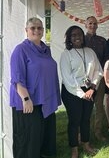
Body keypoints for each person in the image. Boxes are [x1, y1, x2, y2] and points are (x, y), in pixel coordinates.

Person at [9, 17, 61, 158]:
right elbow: (17, 78)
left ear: (43, 31)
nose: (36, 30)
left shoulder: (45, 50)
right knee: (28, 141)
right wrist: (26, 98)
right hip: (28, 103)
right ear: (26, 31)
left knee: (43, 138)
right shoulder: (20, 50)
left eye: (39, 28)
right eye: (33, 28)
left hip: (45, 100)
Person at [60, 25, 103, 158]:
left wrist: (92, 88)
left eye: (79, 34)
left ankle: (86, 143)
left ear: (82, 37)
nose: (77, 37)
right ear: (69, 38)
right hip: (71, 91)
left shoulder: (90, 51)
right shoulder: (66, 54)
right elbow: (67, 77)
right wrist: (82, 94)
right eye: (73, 35)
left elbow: (98, 71)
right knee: (75, 120)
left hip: (89, 89)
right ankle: (74, 148)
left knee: (86, 119)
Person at [85, 16, 108, 141]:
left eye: (94, 23)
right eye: (90, 23)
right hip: (85, 79)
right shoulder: (81, 39)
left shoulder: (102, 41)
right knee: (85, 106)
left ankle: (98, 131)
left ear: (97, 25)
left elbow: (105, 59)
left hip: (99, 78)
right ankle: (84, 132)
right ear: (85, 24)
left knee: (99, 106)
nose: (92, 25)